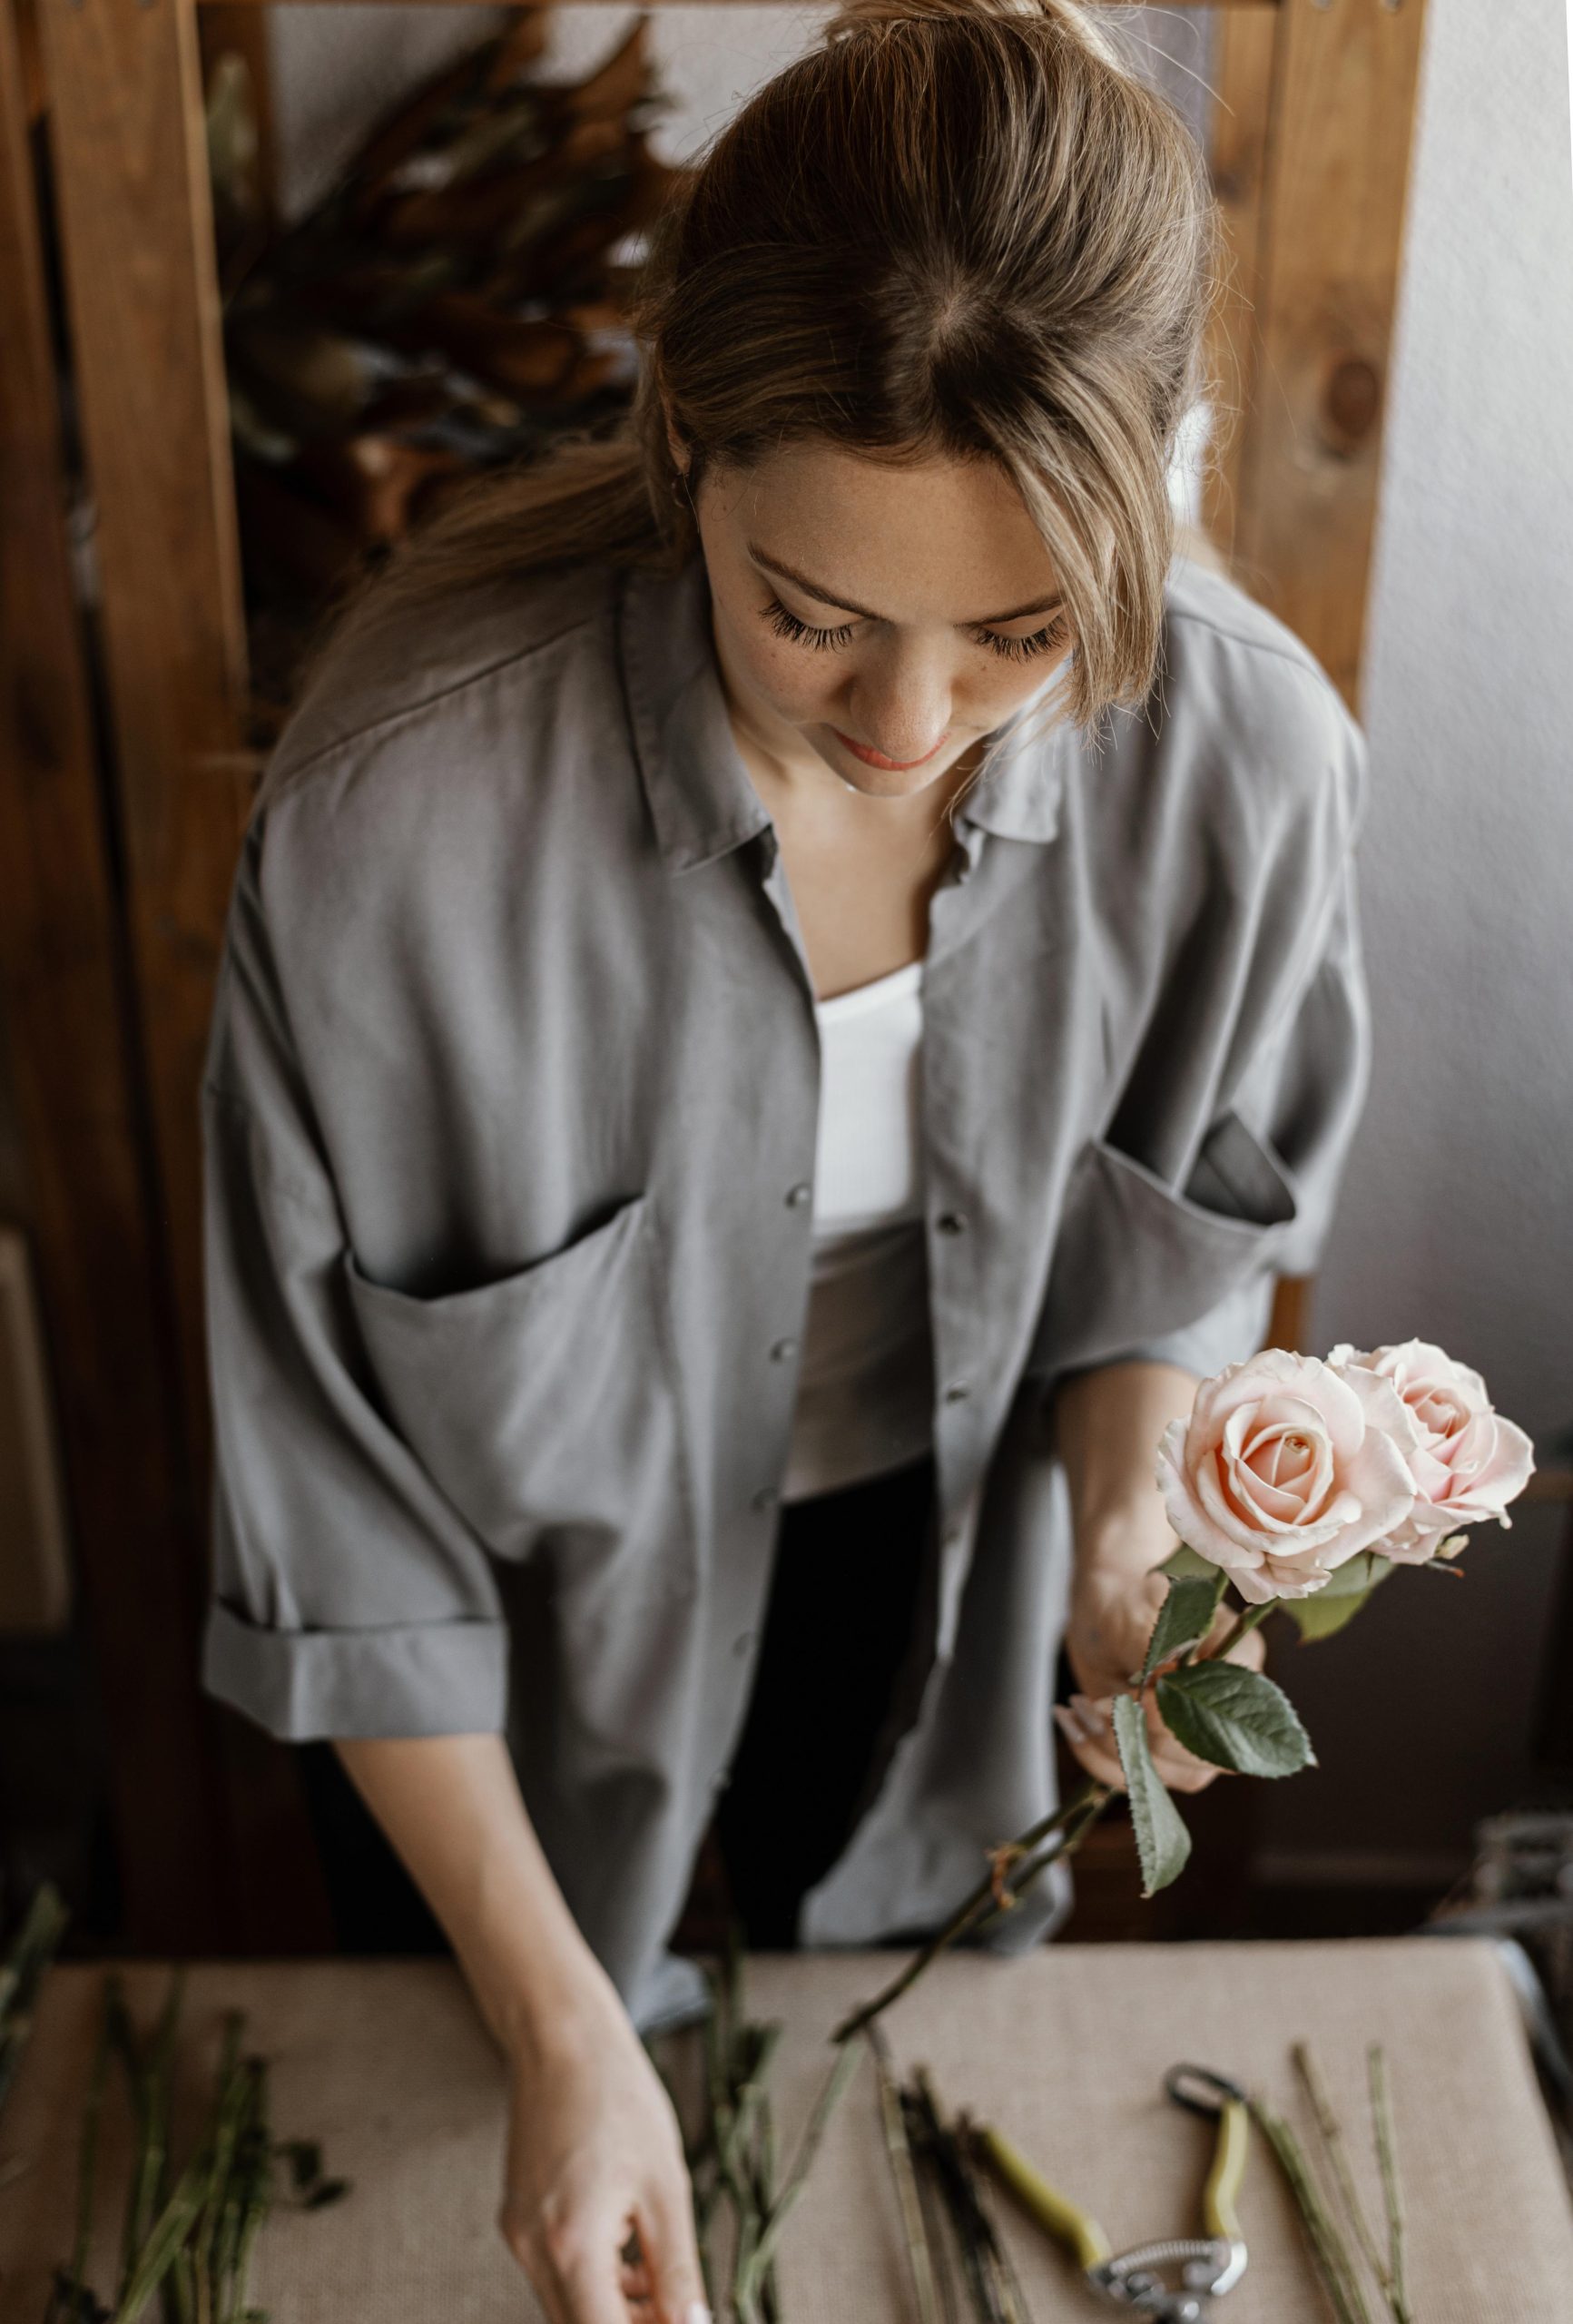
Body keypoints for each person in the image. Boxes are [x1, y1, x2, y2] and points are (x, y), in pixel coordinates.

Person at [198, 0, 1371, 2317]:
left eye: (1024, 633)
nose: (902, 727)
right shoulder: (387, 830)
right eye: (810, 613)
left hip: (938, 1605)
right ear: (682, 447)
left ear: (1174, 477)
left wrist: (1133, 1506)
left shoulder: (1245, 757)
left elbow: (1169, 1241)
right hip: (500, 1703)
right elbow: (331, 1509)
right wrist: (556, 2022)